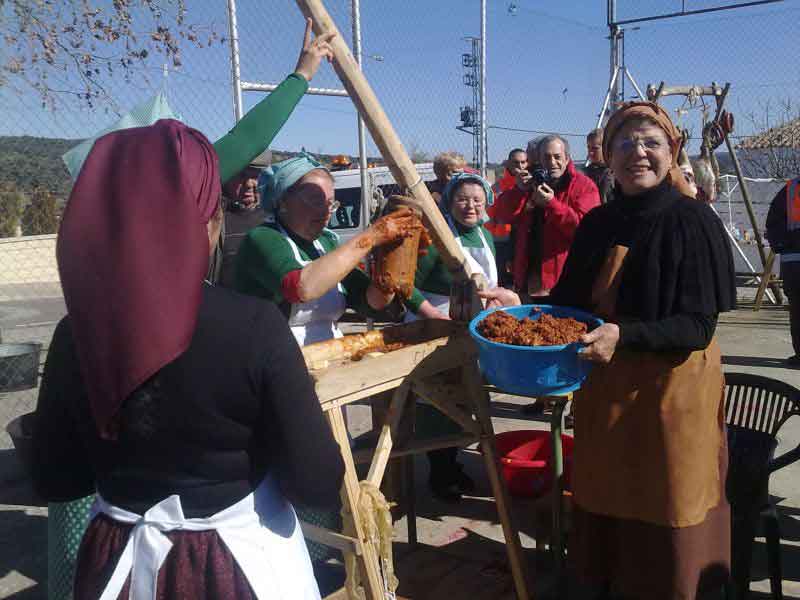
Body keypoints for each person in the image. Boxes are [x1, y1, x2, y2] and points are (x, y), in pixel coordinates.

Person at [30, 20, 340, 600]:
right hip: (234, 569)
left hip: (115, 566)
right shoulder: (252, 326)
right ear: (205, 216)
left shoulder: (77, 333)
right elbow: (319, 481)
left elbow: (55, 476)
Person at [549, 101, 735, 599]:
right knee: (605, 499)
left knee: (667, 507)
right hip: (608, 396)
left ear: (672, 151)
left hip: (672, 397)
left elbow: (696, 326)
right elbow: (569, 304)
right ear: (608, 157)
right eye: (625, 143)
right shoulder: (597, 223)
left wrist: (623, 336)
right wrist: (520, 303)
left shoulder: (692, 222)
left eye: (651, 142)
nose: (639, 153)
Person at [405, 172, 517, 501]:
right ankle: (439, 472)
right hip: (435, 328)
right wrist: (432, 315)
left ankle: (452, 464)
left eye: (477, 200)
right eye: (462, 199)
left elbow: (485, 284)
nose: (470, 206)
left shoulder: (484, 235)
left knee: (464, 399)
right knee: (437, 401)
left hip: (471, 329)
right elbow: (407, 285)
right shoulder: (434, 238)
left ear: (486, 204)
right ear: (450, 201)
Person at [234, 153, 419, 346]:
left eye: (331, 203)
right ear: (282, 202)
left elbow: (371, 301)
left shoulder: (327, 242)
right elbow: (301, 288)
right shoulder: (262, 238)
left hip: (327, 351)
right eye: (315, 200)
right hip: (272, 354)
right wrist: (371, 236)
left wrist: (392, 258)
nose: (325, 211)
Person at [492, 134, 600, 299]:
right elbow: (502, 216)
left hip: (565, 278)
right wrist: (519, 191)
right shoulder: (531, 182)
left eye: (557, 157)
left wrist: (552, 204)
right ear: (538, 160)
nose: (552, 162)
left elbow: (585, 230)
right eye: (546, 157)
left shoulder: (584, 186)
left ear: (567, 158)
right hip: (529, 277)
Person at [209, 150, 271, 288]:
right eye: (242, 175)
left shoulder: (271, 218)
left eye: (256, 176)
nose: (250, 183)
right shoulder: (214, 220)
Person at [765, 175, 800, 366]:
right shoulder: (790, 190)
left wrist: (782, 244)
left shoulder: (790, 189)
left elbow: (773, 223)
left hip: (793, 262)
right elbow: (774, 224)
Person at [486, 148, 527, 286]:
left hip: (523, 237)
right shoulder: (497, 188)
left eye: (523, 162)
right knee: (504, 281)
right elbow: (492, 216)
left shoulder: (531, 185)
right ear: (508, 163)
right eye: (516, 163)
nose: (520, 166)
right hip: (503, 240)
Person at [582, 128, 614, 204]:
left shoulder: (613, 173)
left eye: (595, 148)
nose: (590, 153)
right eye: (588, 148)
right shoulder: (586, 172)